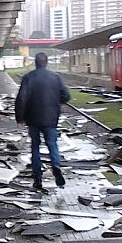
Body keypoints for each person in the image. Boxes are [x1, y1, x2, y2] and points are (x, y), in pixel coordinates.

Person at [15, 52, 71, 190]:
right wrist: (55, 101)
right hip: (51, 117)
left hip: (33, 118)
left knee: (35, 146)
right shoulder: (55, 77)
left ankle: (37, 178)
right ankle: (56, 166)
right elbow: (66, 96)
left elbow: (22, 98)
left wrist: (20, 118)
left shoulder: (28, 77)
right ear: (46, 63)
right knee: (52, 144)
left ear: (35, 63)